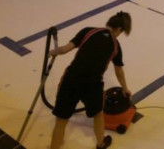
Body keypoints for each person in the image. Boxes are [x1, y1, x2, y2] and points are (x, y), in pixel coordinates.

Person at [49, 11, 132, 149]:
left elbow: (64, 49)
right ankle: (100, 143)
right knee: (98, 114)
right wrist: (125, 88)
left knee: (61, 120)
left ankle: (54, 146)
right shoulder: (116, 46)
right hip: (92, 84)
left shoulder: (88, 31)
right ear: (119, 29)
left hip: (71, 79)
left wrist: (53, 52)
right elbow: (119, 71)